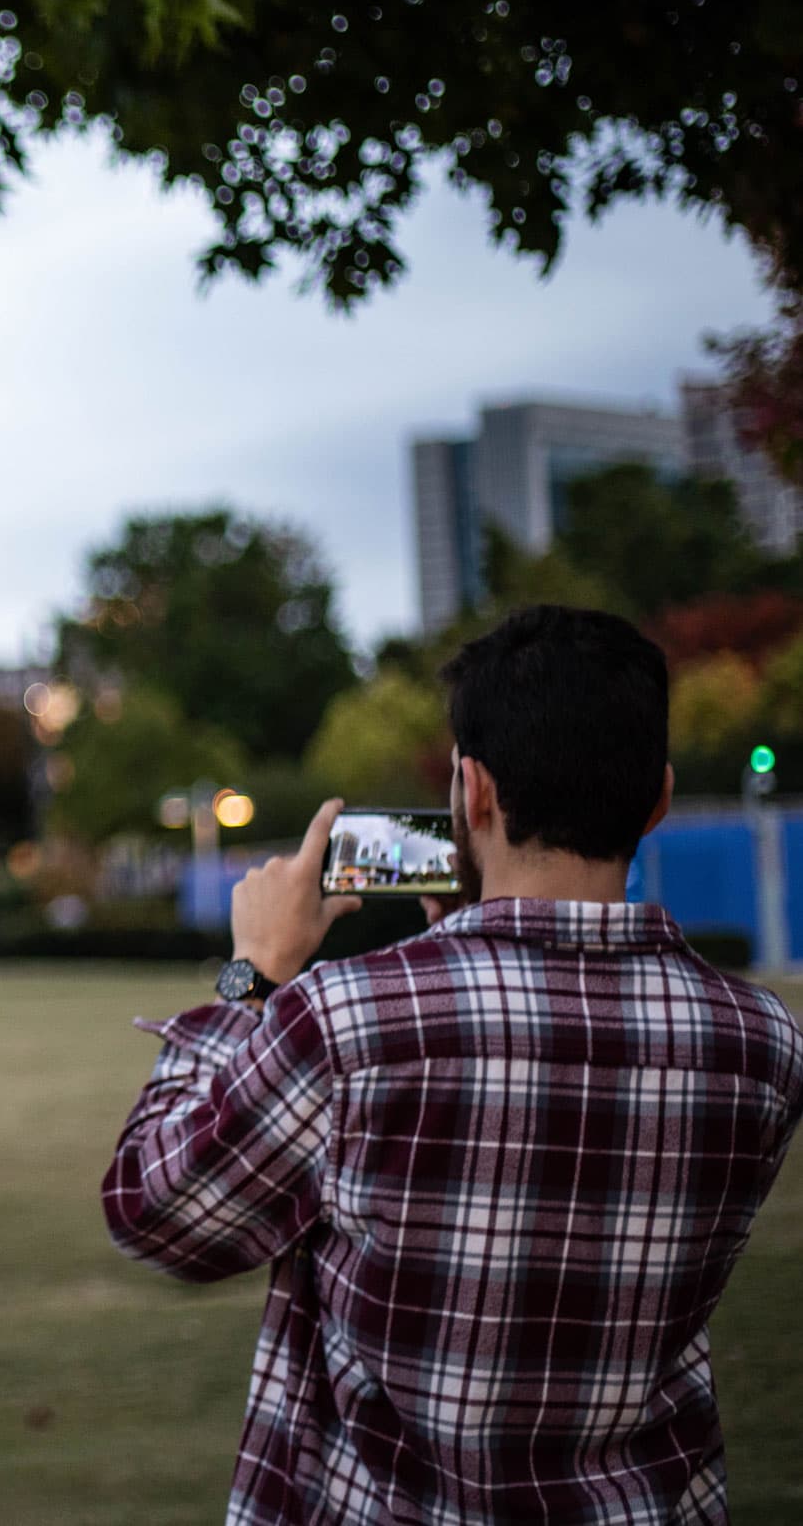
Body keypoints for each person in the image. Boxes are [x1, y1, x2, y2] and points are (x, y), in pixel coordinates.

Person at [102, 604, 803, 1524]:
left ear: (472, 791)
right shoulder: (762, 1044)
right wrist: (465, 951)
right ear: (659, 798)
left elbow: (157, 1213)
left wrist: (254, 973)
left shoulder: (348, 1020)